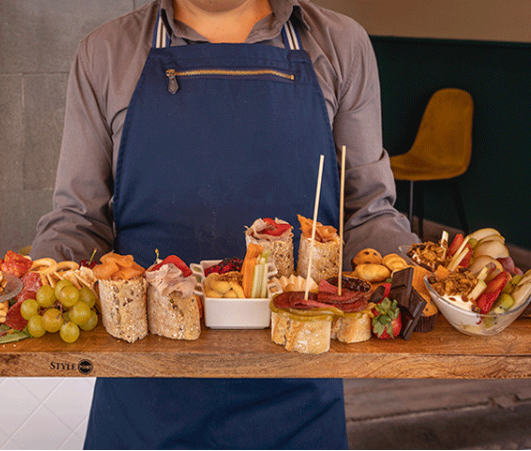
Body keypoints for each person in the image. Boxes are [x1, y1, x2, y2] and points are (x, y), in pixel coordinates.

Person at [30, 0, 418, 448]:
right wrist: (37, 276)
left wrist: (429, 277)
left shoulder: (340, 44)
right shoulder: (105, 53)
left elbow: (368, 212)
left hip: (299, 394)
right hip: (145, 398)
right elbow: (79, 218)